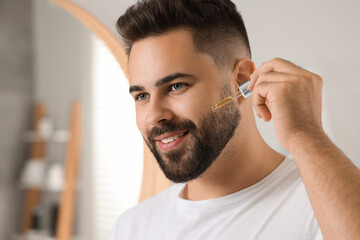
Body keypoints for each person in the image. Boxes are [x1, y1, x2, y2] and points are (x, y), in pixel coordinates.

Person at [110, 0, 360, 239]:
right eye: (142, 95)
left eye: (176, 86)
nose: (154, 115)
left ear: (241, 80)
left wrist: (306, 135)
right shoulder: (132, 227)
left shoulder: (322, 208)